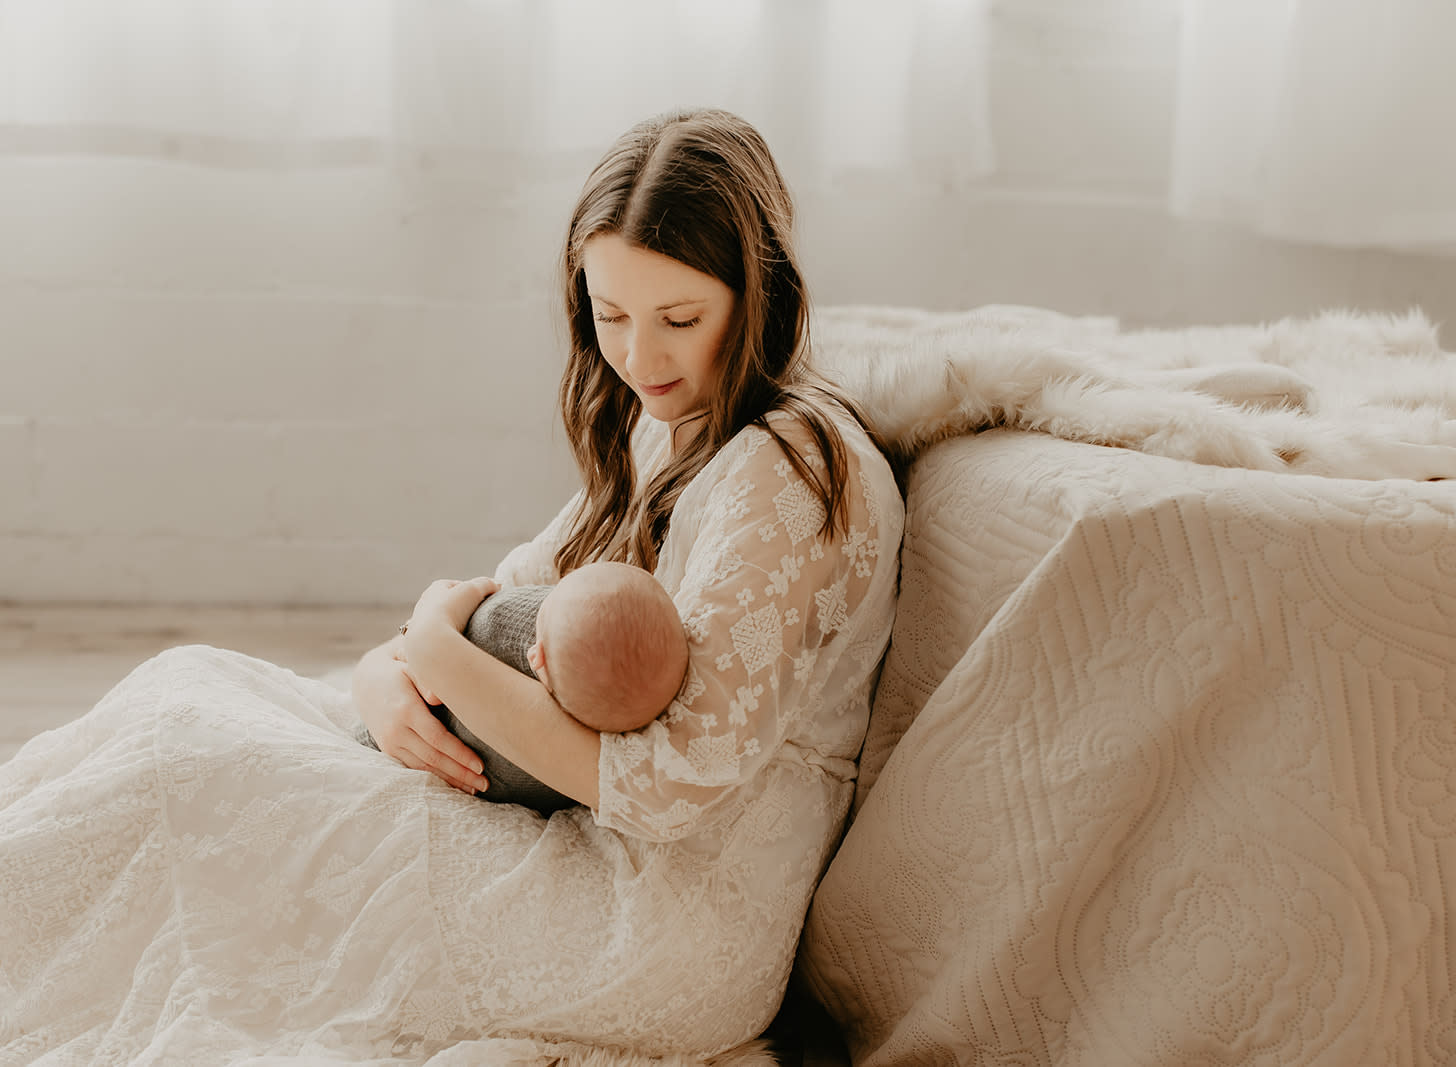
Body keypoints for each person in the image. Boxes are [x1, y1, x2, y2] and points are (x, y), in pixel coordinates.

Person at [0, 107, 904, 1063]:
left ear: (756, 293)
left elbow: (672, 787)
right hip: (586, 838)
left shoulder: (790, 471)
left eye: (680, 319)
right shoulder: (673, 426)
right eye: (611, 317)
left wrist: (432, 652)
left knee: (199, 770)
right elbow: (506, 594)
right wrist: (386, 675)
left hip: (659, 913)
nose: (640, 359)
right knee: (187, 697)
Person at [355, 561, 690, 811]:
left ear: (537, 658)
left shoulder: (510, 629)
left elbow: (474, 610)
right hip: (391, 702)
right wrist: (375, 670)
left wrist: (429, 629)